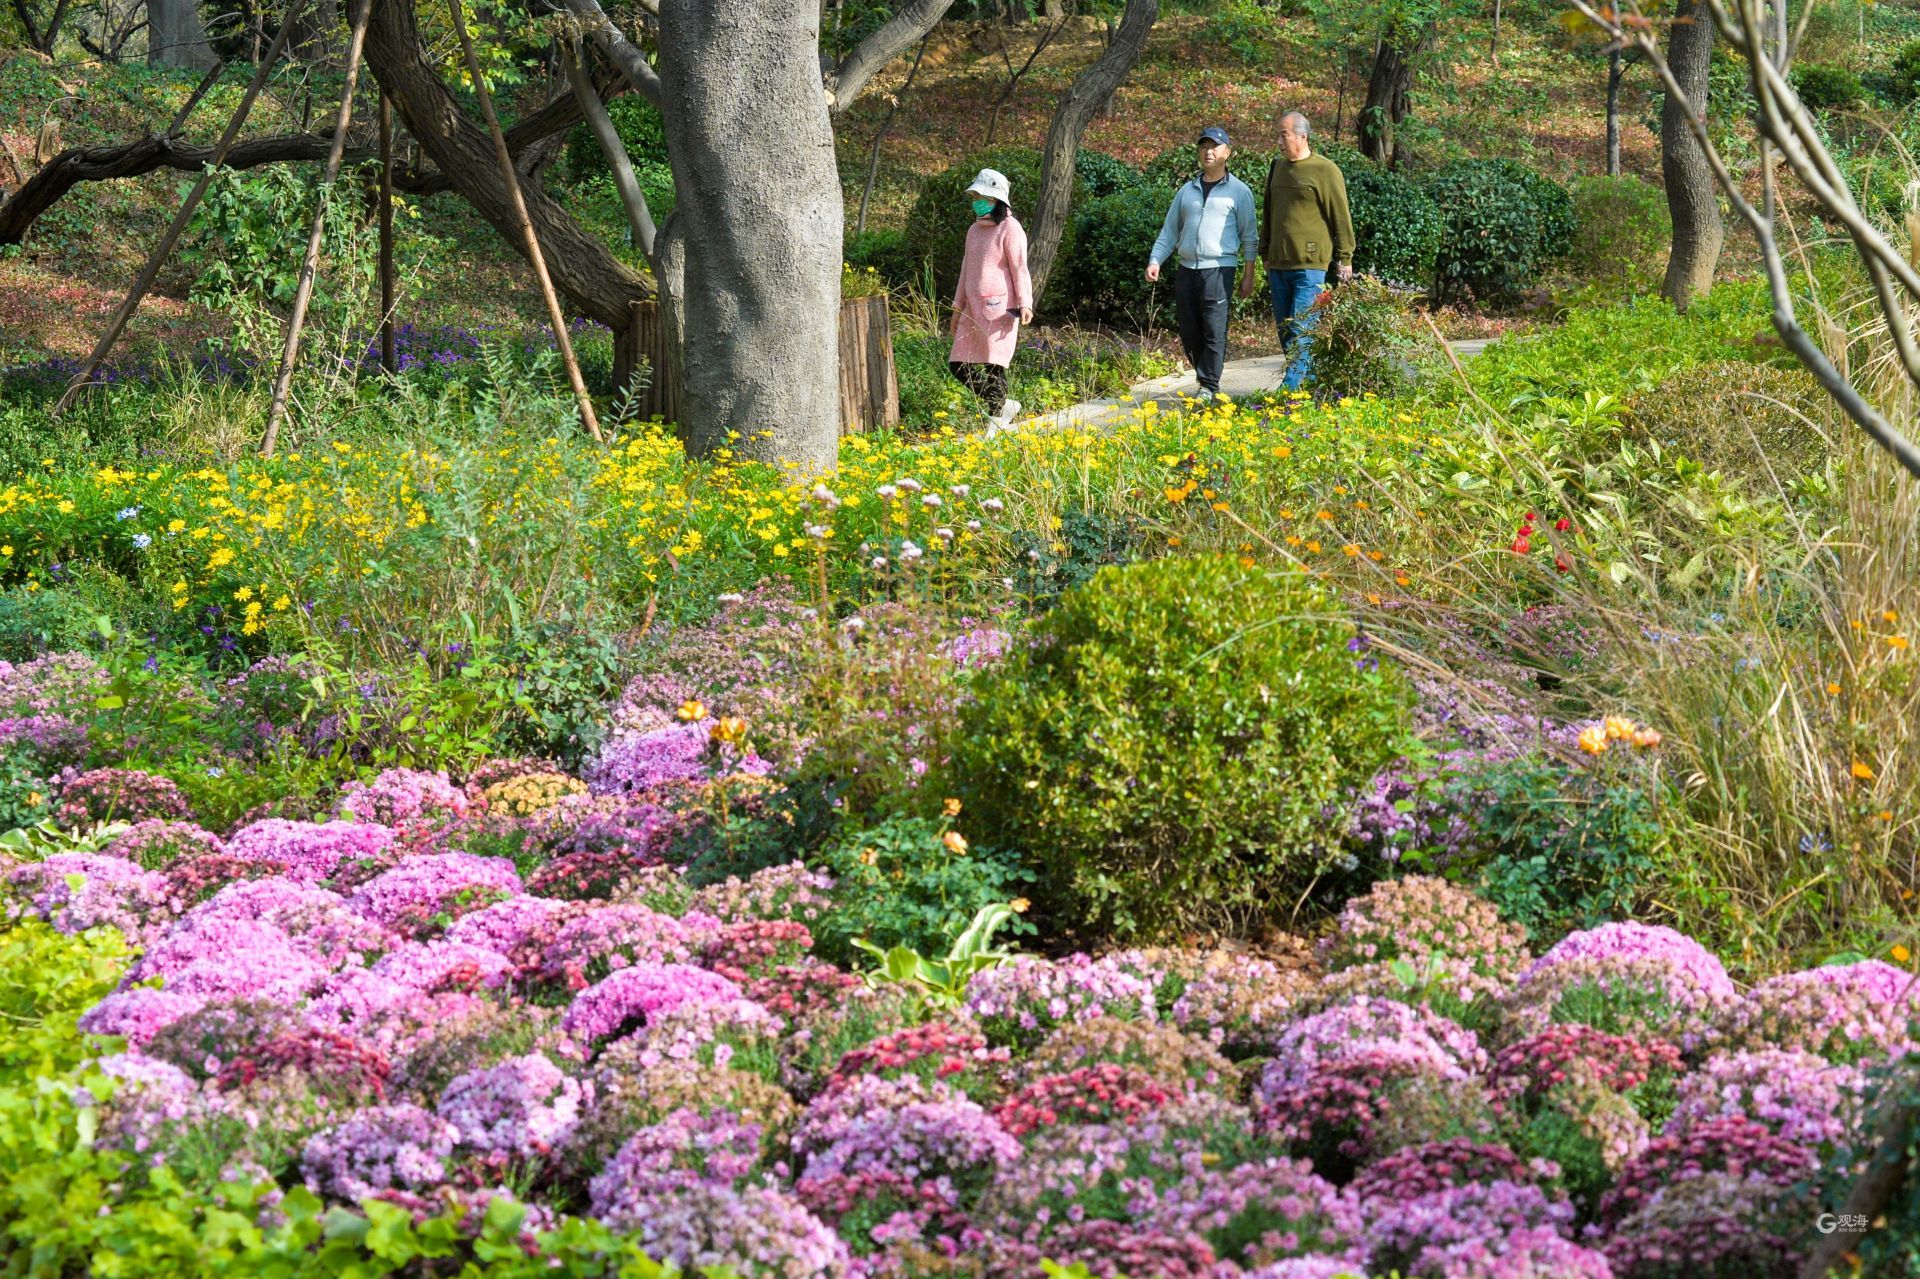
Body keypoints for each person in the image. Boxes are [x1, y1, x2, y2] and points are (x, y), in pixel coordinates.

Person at [1145, 125, 1259, 403]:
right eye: (1204, 146)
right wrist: (1155, 259)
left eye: (1215, 147)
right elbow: (1170, 231)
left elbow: (1250, 236)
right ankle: (1204, 378)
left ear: (1227, 153)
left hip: (1219, 270)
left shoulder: (1239, 192)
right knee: (1189, 330)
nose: (1208, 152)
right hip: (1187, 270)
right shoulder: (1187, 191)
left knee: (1213, 328)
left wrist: (1249, 274)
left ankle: (1209, 384)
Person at [1257, 111, 1354, 392]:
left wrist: (1345, 258)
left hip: (1310, 267)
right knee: (1286, 332)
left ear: (1302, 136)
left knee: (1303, 330)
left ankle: (1288, 395)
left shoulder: (1325, 170)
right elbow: (1269, 212)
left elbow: (1341, 217)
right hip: (1278, 265)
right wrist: (1265, 252)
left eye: (1283, 135)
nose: (1279, 141)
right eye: (1278, 134)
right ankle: (1309, 387)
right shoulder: (1277, 168)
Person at [949, 167, 1034, 432]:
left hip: (999, 310)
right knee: (958, 364)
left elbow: (1019, 266)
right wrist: (956, 307)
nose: (976, 201)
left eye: (982, 196)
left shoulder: (1010, 228)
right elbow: (966, 270)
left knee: (994, 366)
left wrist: (1025, 302)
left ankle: (995, 421)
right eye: (974, 195)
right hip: (971, 310)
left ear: (997, 200)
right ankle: (1002, 406)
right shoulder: (973, 230)